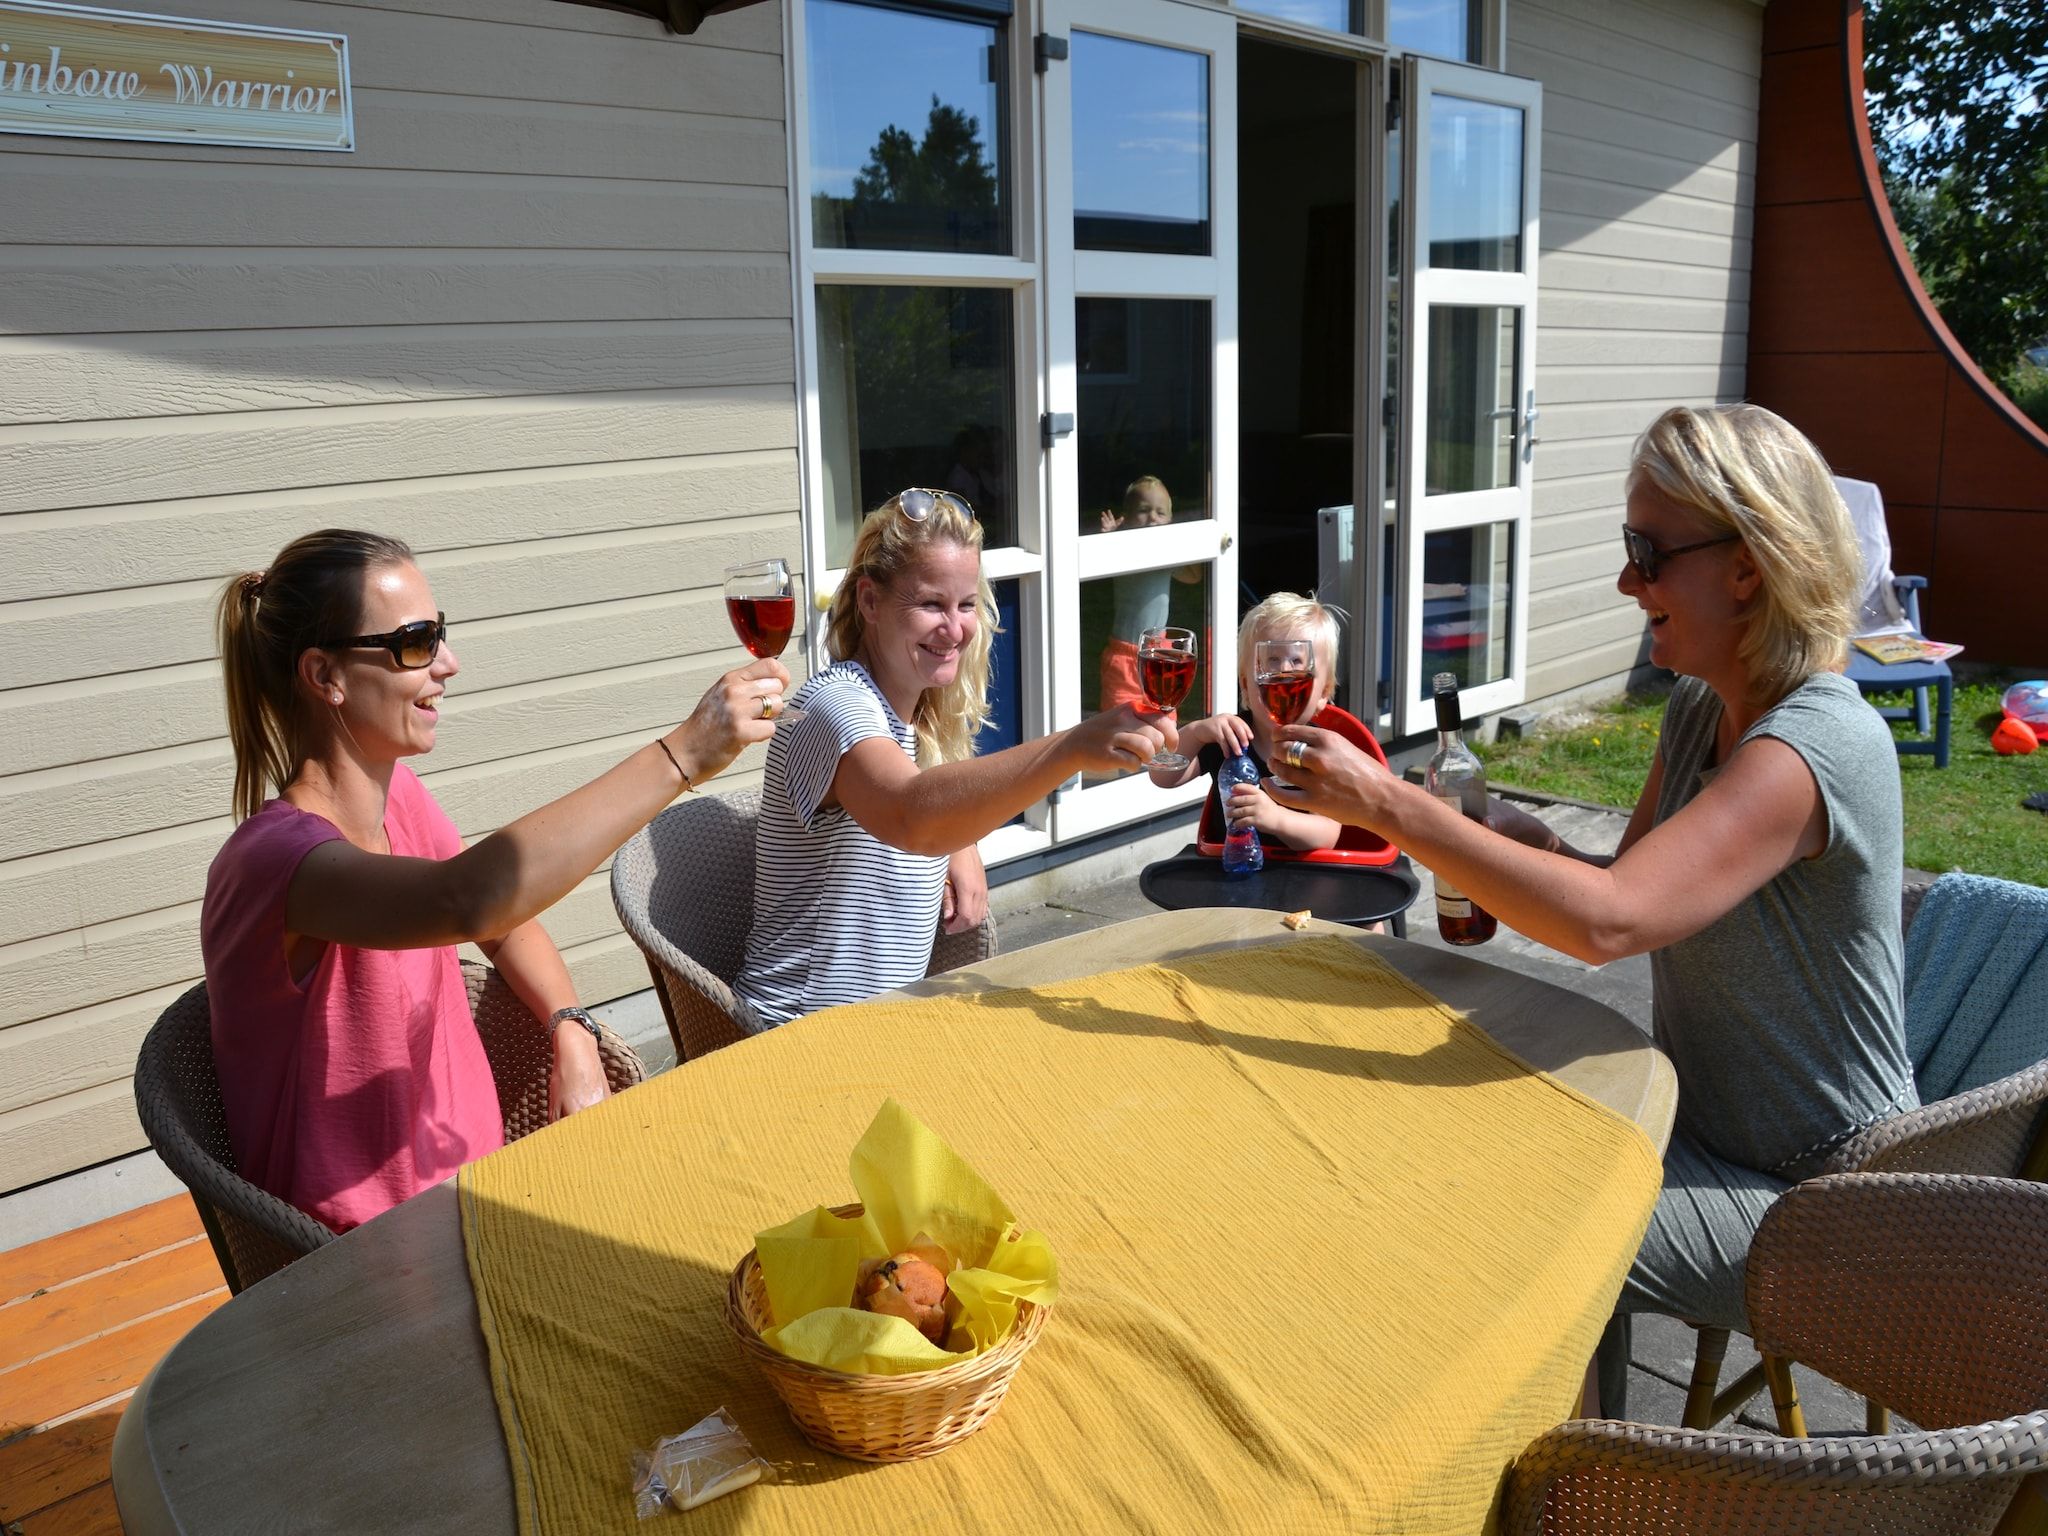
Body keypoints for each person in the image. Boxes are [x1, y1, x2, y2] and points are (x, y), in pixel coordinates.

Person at [1270, 405, 1915, 1409]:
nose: (1626, 582)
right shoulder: (1703, 705)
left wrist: (1385, 803)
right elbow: (1628, 882)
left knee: (1529, 1223)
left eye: (1646, 553)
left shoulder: (1813, 745)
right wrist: (1525, 846)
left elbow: (1607, 922)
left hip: (1817, 1197)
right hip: (1693, 1125)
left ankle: (1549, 1482)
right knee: (1463, 1138)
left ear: (1746, 565)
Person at [202, 529, 787, 1232]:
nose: (449, 663)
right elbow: (471, 901)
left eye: (439, 633)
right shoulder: (276, 861)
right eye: (415, 642)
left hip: (490, 1184)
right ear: (325, 675)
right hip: (364, 1249)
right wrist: (683, 753)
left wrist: (570, 1026)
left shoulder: (402, 803)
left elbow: (508, 923)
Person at [735, 488, 1176, 1029]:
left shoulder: (915, 720)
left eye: (966, 604)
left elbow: (932, 802)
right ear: (870, 602)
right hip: (794, 1033)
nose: (955, 628)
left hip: (883, 1028)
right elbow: (912, 814)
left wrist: (960, 841)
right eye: (930, 604)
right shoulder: (834, 704)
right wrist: (1072, 748)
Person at [1149, 592, 1347, 853]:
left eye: (1298, 662)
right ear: (1246, 684)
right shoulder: (1230, 737)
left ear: (1323, 693)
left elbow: (1326, 835)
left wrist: (1275, 818)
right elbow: (1163, 777)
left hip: (1300, 880)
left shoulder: (1321, 752)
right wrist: (1198, 732)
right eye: (1270, 662)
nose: (1283, 675)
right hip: (1229, 879)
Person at [1096, 475, 1202, 710]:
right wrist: (1111, 538)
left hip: (1158, 651)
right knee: (1117, 717)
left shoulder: (1164, 555)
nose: (1152, 518)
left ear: (1170, 521)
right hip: (1124, 653)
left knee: (1163, 712)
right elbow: (1102, 562)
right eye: (1143, 510)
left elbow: (1194, 576)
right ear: (1126, 518)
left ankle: (1163, 746)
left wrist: (1182, 545)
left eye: (1160, 513)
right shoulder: (1124, 548)